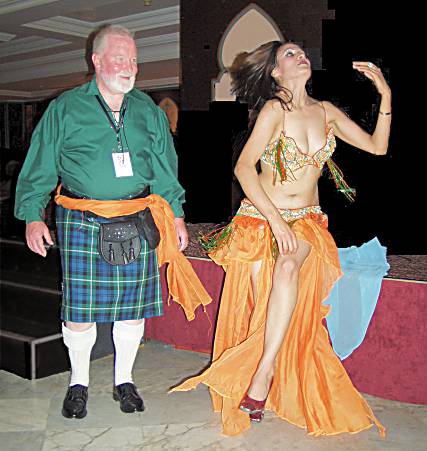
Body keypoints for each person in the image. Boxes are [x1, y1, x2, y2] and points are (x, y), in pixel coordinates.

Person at [172, 40, 391, 436]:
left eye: (302, 52)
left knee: (288, 268)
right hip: (261, 217)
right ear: (275, 72)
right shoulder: (274, 110)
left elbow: (378, 147)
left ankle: (265, 371)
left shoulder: (326, 113)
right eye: (290, 54)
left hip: (306, 220)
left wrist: (386, 95)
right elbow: (243, 168)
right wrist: (275, 222)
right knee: (258, 306)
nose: (301, 56)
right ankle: (259, 374)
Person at [15, 24, 210, 419]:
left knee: (132, 309)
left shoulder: (147, 111)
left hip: (138, 216)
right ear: (97, 61)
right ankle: (78, 383)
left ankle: (125, 379)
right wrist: (33, 216)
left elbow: (165, 166)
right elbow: (40, 164)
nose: (129, 66)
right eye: (120, 58)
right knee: (79, 311)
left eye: (134, 59)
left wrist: (176, 212)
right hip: (81, 217)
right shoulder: (66, 107)